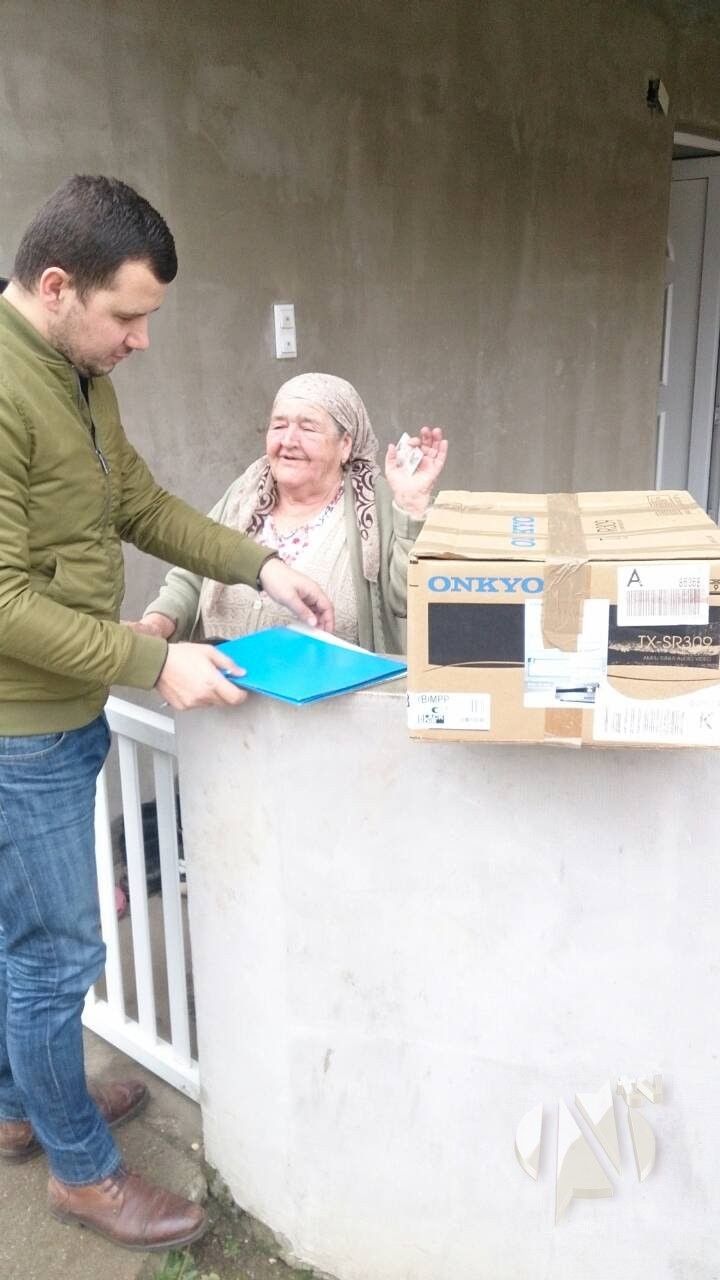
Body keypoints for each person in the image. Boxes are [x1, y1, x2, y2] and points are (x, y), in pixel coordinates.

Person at [0, 175, 334, 1253]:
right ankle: (82, 1173)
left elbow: (136, 502)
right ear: (59, 287)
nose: (141, 340)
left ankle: (23, 1104)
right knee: (56, 955)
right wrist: (156, 663)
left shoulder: (77, 373)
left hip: (57, 715)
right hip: (18, 729)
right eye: (129, 316)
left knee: (25, 941)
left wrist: (261, 562)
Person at [137, 372, 448, 653]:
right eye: (279, 426)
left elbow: (409, 598)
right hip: (224, 692)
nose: (288, 441)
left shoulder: (371, 504)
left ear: (345, 445)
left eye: (308, 428)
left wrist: (411, 503)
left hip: (332, 696)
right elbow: (193, 572)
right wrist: (156, 624)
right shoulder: (246, 493)